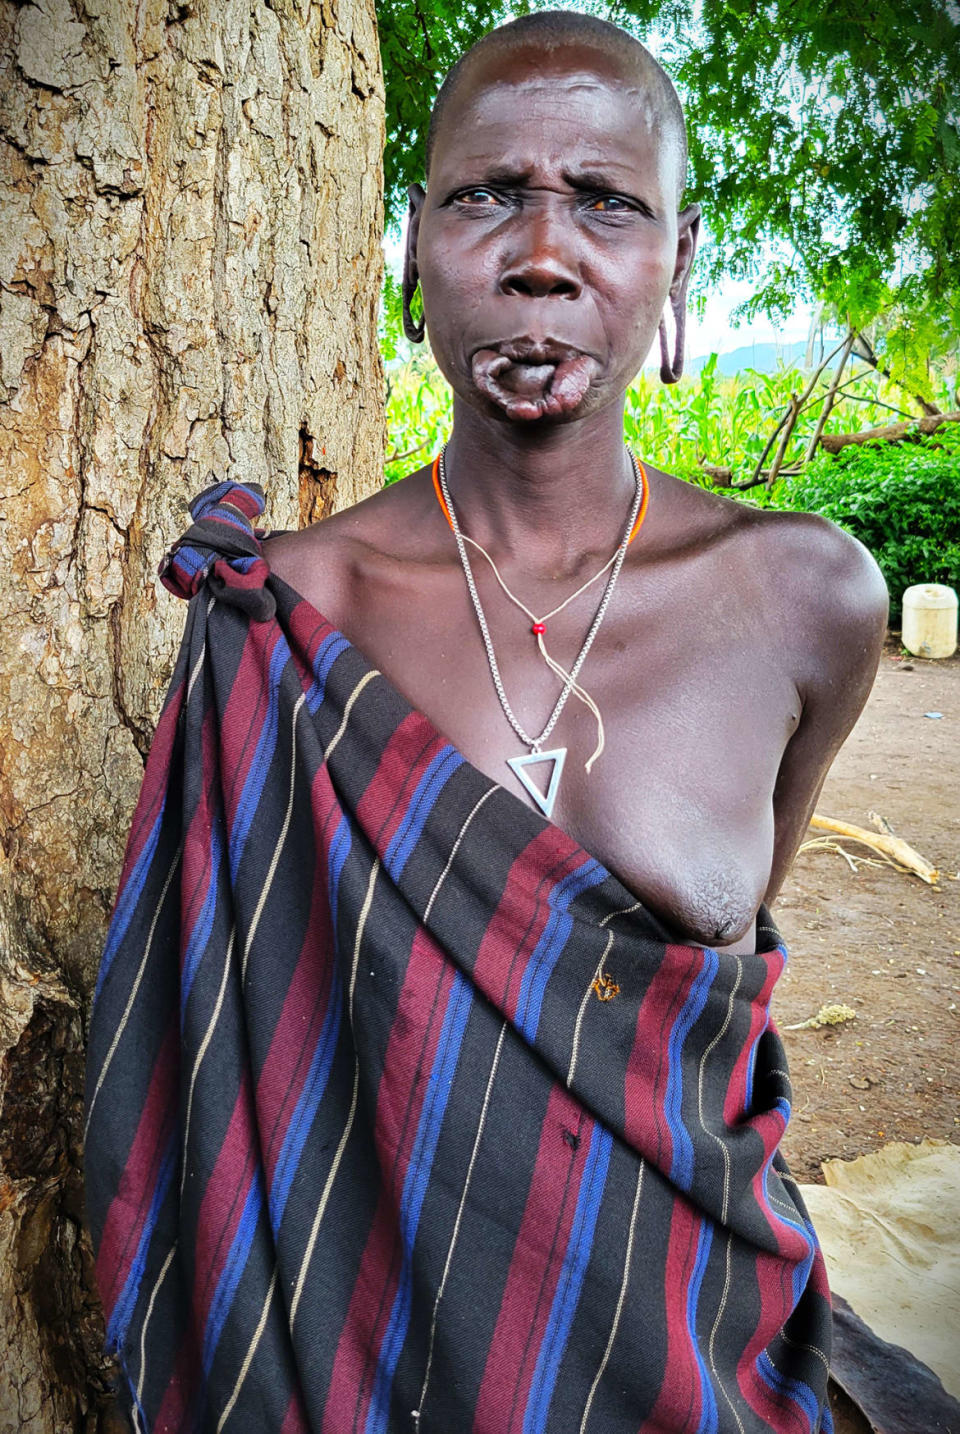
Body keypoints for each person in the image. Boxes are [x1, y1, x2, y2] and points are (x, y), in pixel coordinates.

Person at [84, 12, 887, 1433]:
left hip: (690, 1361)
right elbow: (198, 1096)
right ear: (412, 245)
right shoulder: (284, 627)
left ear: (679, 260)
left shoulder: (803, 601)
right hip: (361, 1381)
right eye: (484, 194)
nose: (542, 251)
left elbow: (697, 1017)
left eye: (606, 202)